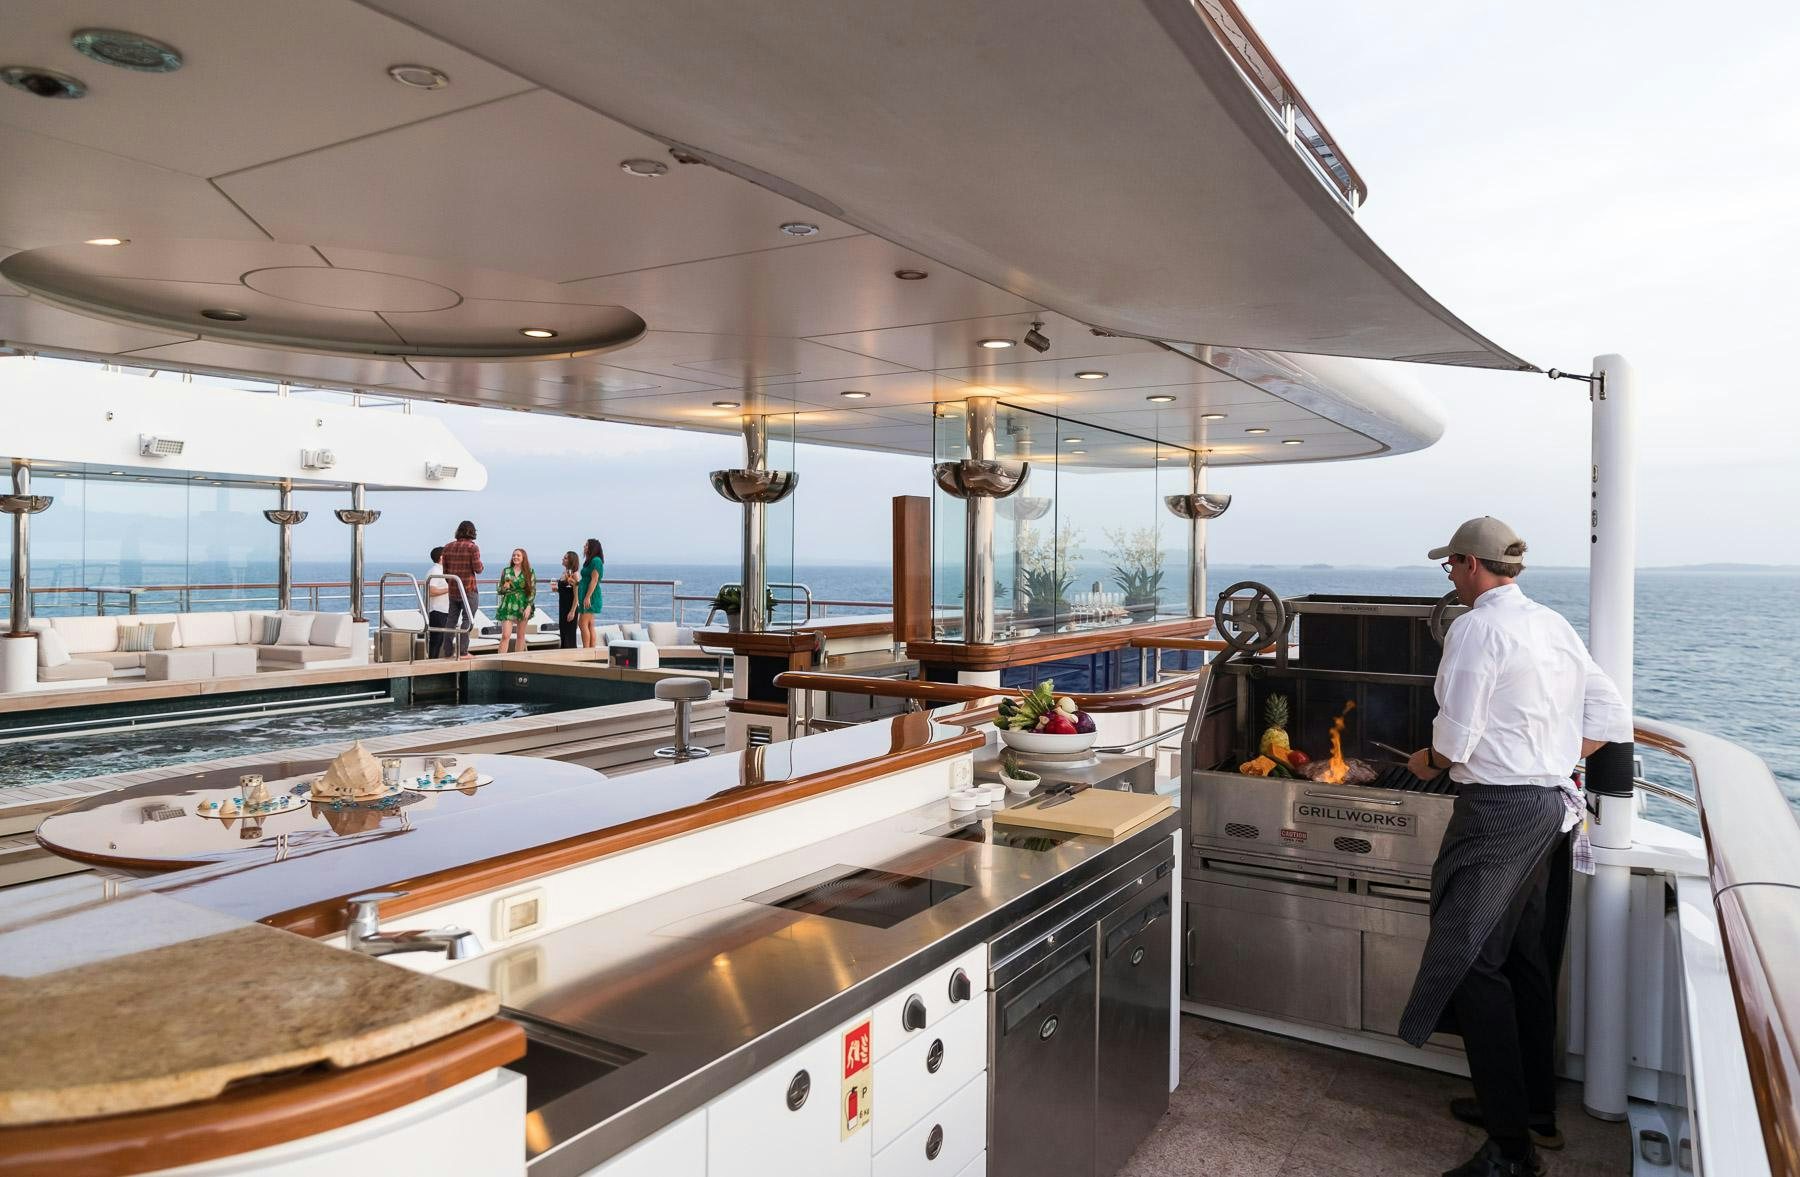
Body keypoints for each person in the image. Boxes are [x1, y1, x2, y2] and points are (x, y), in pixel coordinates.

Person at [1398, 517, 1630, 1177]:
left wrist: (1425, 757)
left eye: (1452, 565)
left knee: (1471, 961)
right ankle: (1533, 1111)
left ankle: (1510, 1152)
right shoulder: (1552, 623)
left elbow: (1454, 744)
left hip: (1500, 811)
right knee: (1524, 956)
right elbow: (1608, 717)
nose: (1450, 575)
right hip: (1552, 808)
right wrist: (1550, 756)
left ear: (1471, 564)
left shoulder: (1476, 627)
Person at [439, 520, 483, 656]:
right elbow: (478, 568)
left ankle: (447, 651)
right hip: (469, 589)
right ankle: (463, 651)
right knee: (467, 620)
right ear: (472, 532)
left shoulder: (447, 547)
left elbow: (445, 572)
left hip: (453, 590)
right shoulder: (472, 548)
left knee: (451, 620)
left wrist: (451, 584)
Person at [495, 548, 535, 654]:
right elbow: (499, 590)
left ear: (523, 558)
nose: (515, 557)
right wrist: (505, 587)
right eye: (514, 555)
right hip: (508, 604)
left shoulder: (529, 572)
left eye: (518, 555)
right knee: (505, 635)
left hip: (523, 604)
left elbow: (532, 590)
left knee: (521, 636)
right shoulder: (506, 571)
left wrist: (529, 606)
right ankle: (500, 661)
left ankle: (519, 661)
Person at [577, 537, 605, 652]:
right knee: (589, 624)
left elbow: (594, 580)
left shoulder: (596, 561)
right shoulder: (590, 561)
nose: (584, 547)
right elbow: (587, 579)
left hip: (591, 596)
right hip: (586, 594)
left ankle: (587, 650)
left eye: (586, 545)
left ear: (592, 548)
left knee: (582, 623)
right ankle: (590, 650)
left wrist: (588, 597)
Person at [424, 545, 450, 659]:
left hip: (444, 609)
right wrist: (449, 589)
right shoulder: (434, 571)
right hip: (437, 610)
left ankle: (435, 662)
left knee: (441, 639)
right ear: (441, 557)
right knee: (436, 639)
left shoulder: (443, 570)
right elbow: (431, 591)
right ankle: (431, 664)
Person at [556, 551, 580, 649]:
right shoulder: (564, 573)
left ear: (571, 561)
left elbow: (576, 595)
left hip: (570, 607)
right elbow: (566, 590)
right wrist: (557, 589)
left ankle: (571, 659)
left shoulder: (575, 575)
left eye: (565, 558)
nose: (563, 559)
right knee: (563, 634)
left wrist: (572, 611)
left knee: (569, 635)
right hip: (563, 607)